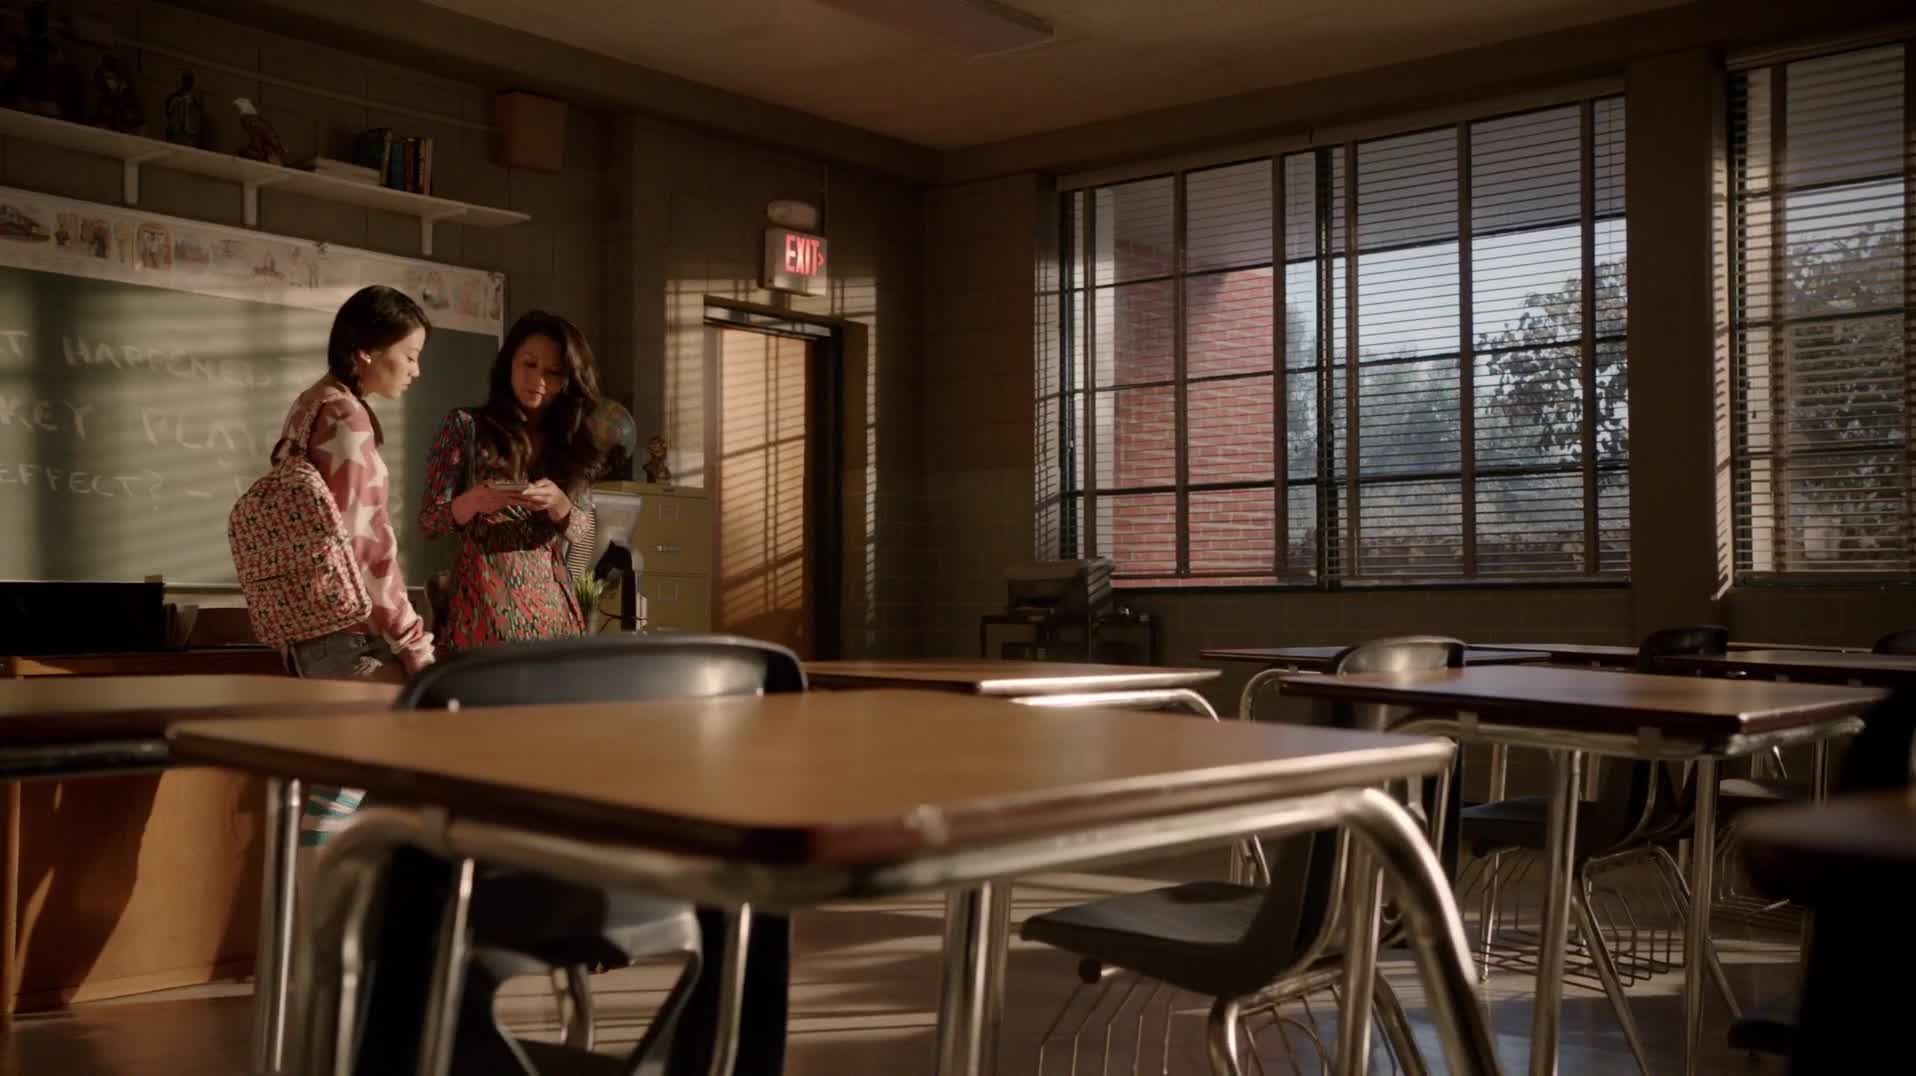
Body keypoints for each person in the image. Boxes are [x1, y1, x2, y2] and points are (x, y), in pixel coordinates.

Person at [273, 284, 434, 853]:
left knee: (347, 788)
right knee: (354, 789)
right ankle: (321, 904)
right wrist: (413, 642)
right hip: (352, 635)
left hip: (308, 630)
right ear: (366, 351)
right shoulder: (346, 416)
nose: (415, 370)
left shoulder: (308, 406)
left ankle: (320, 901)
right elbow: (367, 548)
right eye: (409, 355)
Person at [420, 310, 604, 653]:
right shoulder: (465, 426)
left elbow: (581, 533)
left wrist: (559, 503)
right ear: (509, 363)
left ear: (568, 381)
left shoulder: (570, 441)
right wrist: (475, 501)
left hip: (553, 616)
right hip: (482, 612)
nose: (538, 379)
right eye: (529, 364)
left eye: (553, 372)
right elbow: (431, 520)